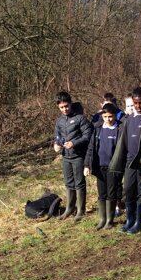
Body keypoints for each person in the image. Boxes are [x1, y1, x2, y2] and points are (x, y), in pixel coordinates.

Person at [110, 87, 141, 234]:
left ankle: (139, 221)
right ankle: (130, 219)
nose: (138, 106)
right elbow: (123, 140)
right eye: (135, 103)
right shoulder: (129, 118)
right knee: (128, 190)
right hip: (129, 161)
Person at [53, 91, 93, 221]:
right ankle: (70, 209)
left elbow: (88, 135)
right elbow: (57, 136)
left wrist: (74, 143)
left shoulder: (80, 118)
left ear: (70, 104)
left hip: (78, 156)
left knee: (79, 183)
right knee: (69, 183)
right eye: (61, 107)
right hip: (66, 157)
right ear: (58, 107)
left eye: (66, 106)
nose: (64, 109)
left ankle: (81, 210)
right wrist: (56, 144)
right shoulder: (59, 121)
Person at [85, 103, 121, 230]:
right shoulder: (98, 129)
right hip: (99, 166)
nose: (108, 119)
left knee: (111, 193)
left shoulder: (119, 129)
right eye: (105, 117)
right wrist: (87, 164)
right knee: (102, 194)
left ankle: (110, 220)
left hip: (113, 168)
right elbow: (91, 148)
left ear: (115, 116)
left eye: (110, 116)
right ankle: (102, 219)